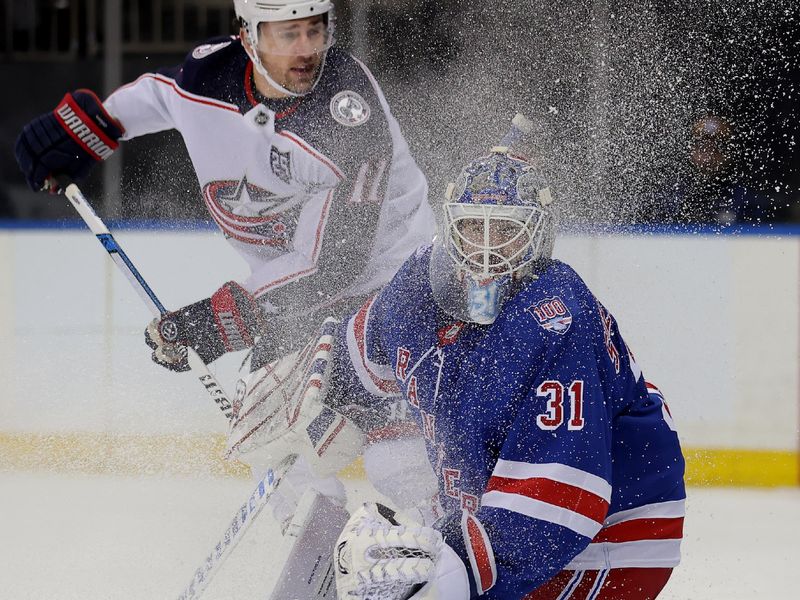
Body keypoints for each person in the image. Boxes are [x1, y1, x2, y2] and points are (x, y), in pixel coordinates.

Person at [230, 145, 686, 599]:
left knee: (428, 578)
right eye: (471, 227)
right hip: (498, 508)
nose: (485, 249)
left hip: (606, 539)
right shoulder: (416, 283)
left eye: (505, 232)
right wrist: (313, 403)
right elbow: (360, 357)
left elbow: (557, 501)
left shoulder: (555, 319)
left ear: (537, 238)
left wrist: (448, 566)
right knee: (390, 500)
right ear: (450, 227)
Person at [14, 0, 434, 374]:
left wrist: (220, 319)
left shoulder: (349, 118)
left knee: (388, 454)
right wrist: (93, 127)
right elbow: (162, 96)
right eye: (289, 32)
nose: (306, 47)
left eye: (315, 28)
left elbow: (337, 262)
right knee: (273, 444)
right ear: (249, 38)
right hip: (296, 300)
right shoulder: (211, 74)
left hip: (392, 291)